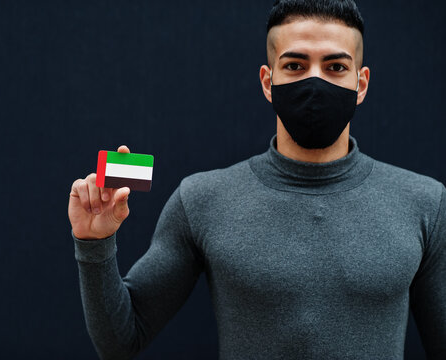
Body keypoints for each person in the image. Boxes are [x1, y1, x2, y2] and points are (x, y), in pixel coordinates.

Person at [68, 0, 446, 358]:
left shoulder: (424, 203)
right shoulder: (202, 199)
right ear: (268, 81)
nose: (315, 82)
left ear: (361, 84)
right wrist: (94, 243)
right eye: (295, 66)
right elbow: (121, 341)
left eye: (335, 67)